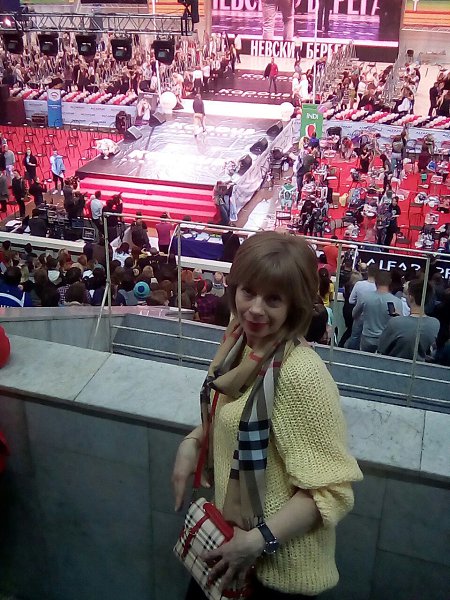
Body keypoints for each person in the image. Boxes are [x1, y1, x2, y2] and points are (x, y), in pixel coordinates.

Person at [172, 231, 362, 599]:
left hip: (274, 578)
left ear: (295, 305)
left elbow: (332, 490)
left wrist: (258, 541)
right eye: (248, 292)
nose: (255, 309)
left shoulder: (300, 373)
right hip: (231, 550)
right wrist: (192, 442)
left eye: (273, 299)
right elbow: (233, 418)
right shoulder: (242, 343)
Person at [378, 279, 440, 361]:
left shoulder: (395, 323)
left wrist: (399, 320)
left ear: (411, 298)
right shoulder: (435, 324)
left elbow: (381, 348)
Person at [354, 270, 403, 353]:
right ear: (390, 282)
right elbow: (399, 324)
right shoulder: (396, 301)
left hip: (367, 337)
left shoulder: (365, 297)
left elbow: (354, 314)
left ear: (376, 281)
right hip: (386, 340)